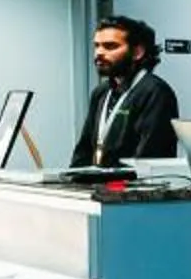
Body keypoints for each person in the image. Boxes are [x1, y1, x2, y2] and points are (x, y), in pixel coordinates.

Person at [71, 16, 180, 167]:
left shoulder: (155, 92)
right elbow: (84, 150)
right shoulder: (101, 92)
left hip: (132, 188)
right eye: (97, 46)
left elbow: (149, 158)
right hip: (97, 186)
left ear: (137, 52)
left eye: (110, 46)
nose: (99, 53)